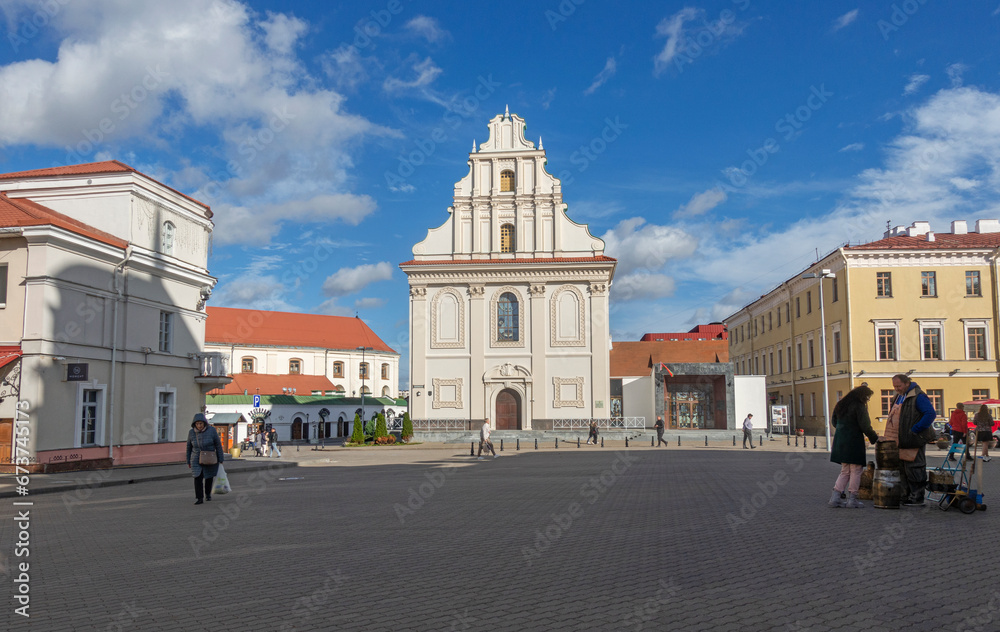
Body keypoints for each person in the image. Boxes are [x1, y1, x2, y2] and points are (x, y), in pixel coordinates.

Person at [828, 384, 879, 508]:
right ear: (862, 396)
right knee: (856, 470)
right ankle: (852, 499)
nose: (867, 400)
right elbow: (865, 425)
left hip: (840, 440)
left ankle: (835, 497)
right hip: (854, 441)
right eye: (867, 397)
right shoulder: (859, 406)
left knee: (845, 471)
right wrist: (875, 438)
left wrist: (843, 429)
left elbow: (834, 421)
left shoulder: (841, 404)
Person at [892, 373, 936, 506]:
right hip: (902, 441)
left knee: (915, 468)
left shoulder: (918, 396)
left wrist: (915, 429)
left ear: (907, 383)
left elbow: (930, 414)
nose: (897, 389)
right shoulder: (899, 397)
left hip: (914, 439)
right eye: (894, 386)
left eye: (899, 386)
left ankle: (917, 497)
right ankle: (905, 496)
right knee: (903, 469)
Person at [186, 413, 225, 505]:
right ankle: (199, 497)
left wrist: (221, 458)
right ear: (194, 424)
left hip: (209, 456)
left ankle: (208, 494)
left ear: (204, 423)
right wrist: (188, 460)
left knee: (208, 477)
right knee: (197, 477)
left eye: (201, 423)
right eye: (197, 424)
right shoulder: (191, 433)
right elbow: (188, 447)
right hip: (196, 457)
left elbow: (218, 445)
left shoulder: (212, 430)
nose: (199, 426)